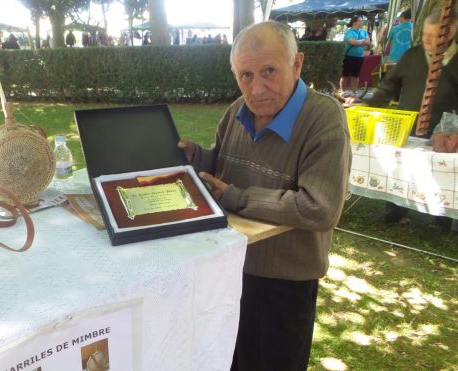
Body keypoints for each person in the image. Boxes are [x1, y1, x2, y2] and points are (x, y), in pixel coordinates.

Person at [177, 21, 351, 370]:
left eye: (269, 70)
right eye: (245, 75)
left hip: (285, 283)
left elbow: (320, 208)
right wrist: (199, 157)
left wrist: (238, 198)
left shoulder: (324, 118)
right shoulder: (236, 111)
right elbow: (224, 160)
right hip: (231, 268)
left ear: (297, 64)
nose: (257, 88)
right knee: (228, 360)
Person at [349, 10, 457, 224]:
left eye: (433, 36)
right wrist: (369, 105)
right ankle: (396, 211)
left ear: (450, 33)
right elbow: (389, 86)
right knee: (399, 168)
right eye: (425, 34)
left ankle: (442, 217)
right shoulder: (412, 56)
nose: (427, 40)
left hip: (445, 130)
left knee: (443, 174)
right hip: (407, 125)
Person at [340, 16, 370, 97]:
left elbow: (368, 42)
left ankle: (354, 92)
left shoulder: (364, 32)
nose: (362, 23)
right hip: (349, 56)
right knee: (345, 75)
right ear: (354, 22)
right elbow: (353, 42)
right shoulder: (349, 32)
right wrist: (362, 41)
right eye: (360, 21)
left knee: (355, 75)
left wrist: (359, 41)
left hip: (359, 57)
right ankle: (343, 91)